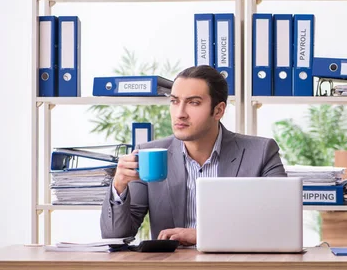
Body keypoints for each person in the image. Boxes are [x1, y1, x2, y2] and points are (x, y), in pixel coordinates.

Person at [100, 65, 286, 245]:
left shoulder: (261, 152)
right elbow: (115, 235)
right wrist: (119, 186)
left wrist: (204, 235)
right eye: (174, 101)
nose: (180, 113)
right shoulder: (148, 154)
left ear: (218, 110)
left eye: (193, 103)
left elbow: (280, 225)